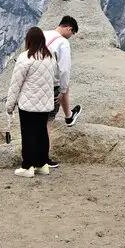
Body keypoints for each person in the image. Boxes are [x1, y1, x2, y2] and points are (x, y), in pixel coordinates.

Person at [6, 27, 60, 178]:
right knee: (42, 133)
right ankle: (42, 165)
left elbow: (15, 83)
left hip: (28, 105)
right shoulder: (50, 58)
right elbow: (54, 80)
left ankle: (27, 166)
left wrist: (10, 105)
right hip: (45, 105)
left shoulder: (25, 58)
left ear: (29, 40)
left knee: (28, 134)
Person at [43, 15, 83, 168]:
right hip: (51, 84)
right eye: (72, 34)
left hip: (35, 82)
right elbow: (64, 69)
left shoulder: (43, 34)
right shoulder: (63, 42)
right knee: (47, 122)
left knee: (35, 121)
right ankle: (44, 158)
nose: (71, 37)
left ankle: (29, 156)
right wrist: (63, 90)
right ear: (69, 29)